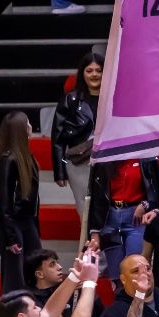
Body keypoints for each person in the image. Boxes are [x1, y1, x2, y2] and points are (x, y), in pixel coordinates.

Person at [87, 157, 159, 282]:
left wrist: (146, 204)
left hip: (136, 219)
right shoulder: (102, 161)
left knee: (135, 268)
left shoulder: (148, 158)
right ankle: (119, 294)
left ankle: (136, 295)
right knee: (115, 274)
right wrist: (94, 232)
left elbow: (158, 193)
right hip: (110, 218)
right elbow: (96, 197)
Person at [0, 111, 41, 293]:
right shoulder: (7, 160)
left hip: (26, 221)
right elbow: (4, 203)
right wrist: (11, 237)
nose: (31, 127)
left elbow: (32, 199)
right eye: (28, 124)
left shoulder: (26, 157)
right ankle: (14, 308)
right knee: (14, 276)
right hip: (11, 223)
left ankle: (33, 305)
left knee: (35, 268)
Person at [51, 52, 103, 213]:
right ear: (82, 73)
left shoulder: (114, 98)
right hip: (79, 162)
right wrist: (59, 172)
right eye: (89, 71)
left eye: (99, 70)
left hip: (108, 160)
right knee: (85, 207)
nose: (94, 74)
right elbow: (57, 138)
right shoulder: (70, 100)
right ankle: (86, 231)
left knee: (106, 206)